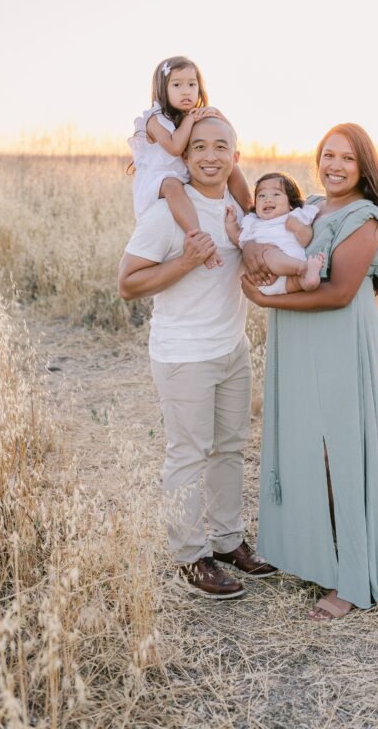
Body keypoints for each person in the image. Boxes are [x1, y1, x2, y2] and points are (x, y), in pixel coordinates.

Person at [241, 123, 378, 620]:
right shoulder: (309, 207)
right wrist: (253, 252)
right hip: (297, 342)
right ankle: (314, 554)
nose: (334, 166)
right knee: (304, 448)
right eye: (328, 155)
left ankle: (352, 580)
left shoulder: (366, 218)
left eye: (347, 159)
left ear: (364, 168)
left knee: (339, 453)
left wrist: (261, 296)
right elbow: (256, 227)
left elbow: (336, 293)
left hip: (337, 342)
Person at [118, 115, 277, 599]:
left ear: (236, 156)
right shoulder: (167, 214)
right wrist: (185, 260)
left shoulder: (239, 211)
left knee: (229, 449)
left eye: (221, 146)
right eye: (200, 147)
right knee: (188, 456)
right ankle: (190, 558)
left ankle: (228, 542)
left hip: (232, 349)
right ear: (185, 157)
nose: (210, 155)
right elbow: (127, 284)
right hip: (183, 355)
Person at [128, 55, 252, 265]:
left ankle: (251, 211)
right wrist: (190, 120)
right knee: (173, 187)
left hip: (182, 169)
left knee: (230, 164)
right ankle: (198, 237)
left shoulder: (191, 115)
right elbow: (175, 148)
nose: (186, 91)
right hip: (160, 177)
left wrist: (217, 113)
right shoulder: (154, 119)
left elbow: (229, 138)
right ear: (162, 90)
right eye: (177, 85)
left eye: (192, 84)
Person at [225, 171, 325, 295]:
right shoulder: (253, 222)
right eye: (261, 196)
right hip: (265, 280)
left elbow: (306, 239)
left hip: (290, 274)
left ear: (291, 204)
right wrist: (231, 223)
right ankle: (304, 267)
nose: (268, 199)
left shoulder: (295, 216)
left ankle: (309, 280)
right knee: (267, 252)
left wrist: (298, 227)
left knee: (303, 283)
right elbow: (238, 237)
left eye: (276, 194)